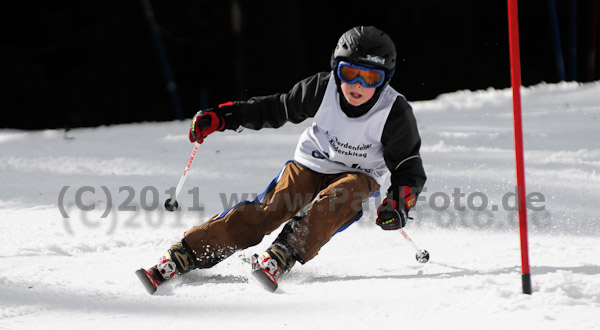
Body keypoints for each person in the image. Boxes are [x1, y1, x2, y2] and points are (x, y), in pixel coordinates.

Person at [136, 26, 426, 293]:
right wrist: (227, 117)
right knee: (271, 208)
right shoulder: (322, 89)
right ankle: (189, 252)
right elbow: (279, 108)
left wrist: (397, 202)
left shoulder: (394, 113)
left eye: (370, 78)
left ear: (385, 79)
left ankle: (285, 252)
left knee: (340, 197)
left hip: (359, 175)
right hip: (311, 162)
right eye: (349, 73)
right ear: (336, 70)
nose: (358, 85)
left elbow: (408, 168)